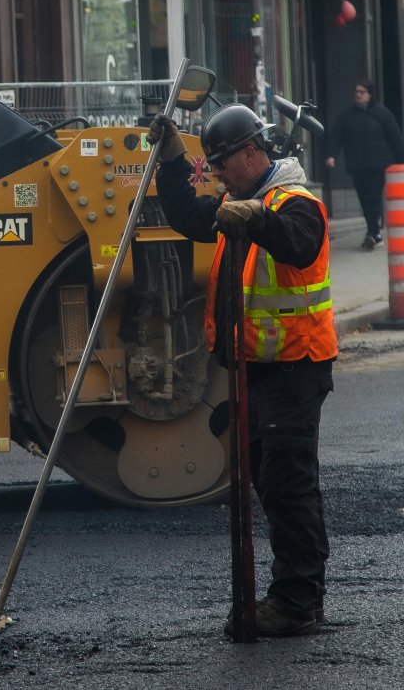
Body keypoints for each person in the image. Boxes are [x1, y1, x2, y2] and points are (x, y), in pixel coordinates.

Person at [148, 105, 335, 638]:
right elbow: (187, 215)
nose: (218, 174)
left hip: (294, 368)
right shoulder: (239, 201)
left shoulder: (296, 203)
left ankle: (297, 601)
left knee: (287, 484)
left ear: (252, 153)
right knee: (272, 482)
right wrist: (171, 160)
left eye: (222, 163)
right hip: (257, 368)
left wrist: (255, 218)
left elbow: (297, 243)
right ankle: (298, 596)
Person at [324, 79, 404, 249]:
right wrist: (331, 155)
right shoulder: (347, 116)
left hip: (378, 164)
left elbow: (394, 136)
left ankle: (373, 232)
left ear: (369, 94)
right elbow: (336, 136)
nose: (358, 95)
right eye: (356, 92)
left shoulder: (381, 113)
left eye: (362, 92)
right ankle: (373, 231)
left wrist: (400, 160)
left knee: (374, 198)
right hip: (357, 165)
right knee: (364, 199)